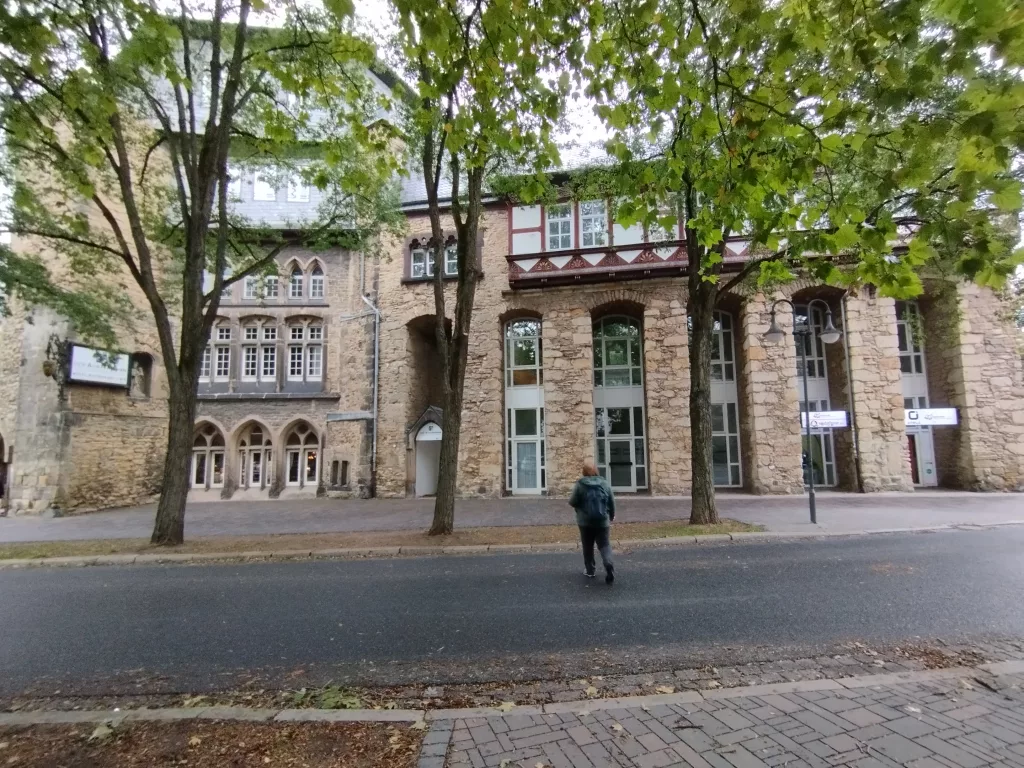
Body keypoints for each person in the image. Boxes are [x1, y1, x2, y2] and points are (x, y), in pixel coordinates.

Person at [568, 461, 616, 584]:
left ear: (583, 472)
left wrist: (580, 507)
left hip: (585, 521)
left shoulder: (580, 484)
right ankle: (608, 563)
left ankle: (590, 570)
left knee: (587, 546)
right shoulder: (604, 483)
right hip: (602, 520)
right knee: (604, 544)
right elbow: (611, 501)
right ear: (596, 470)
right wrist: (611, 515)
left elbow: (572, 501)